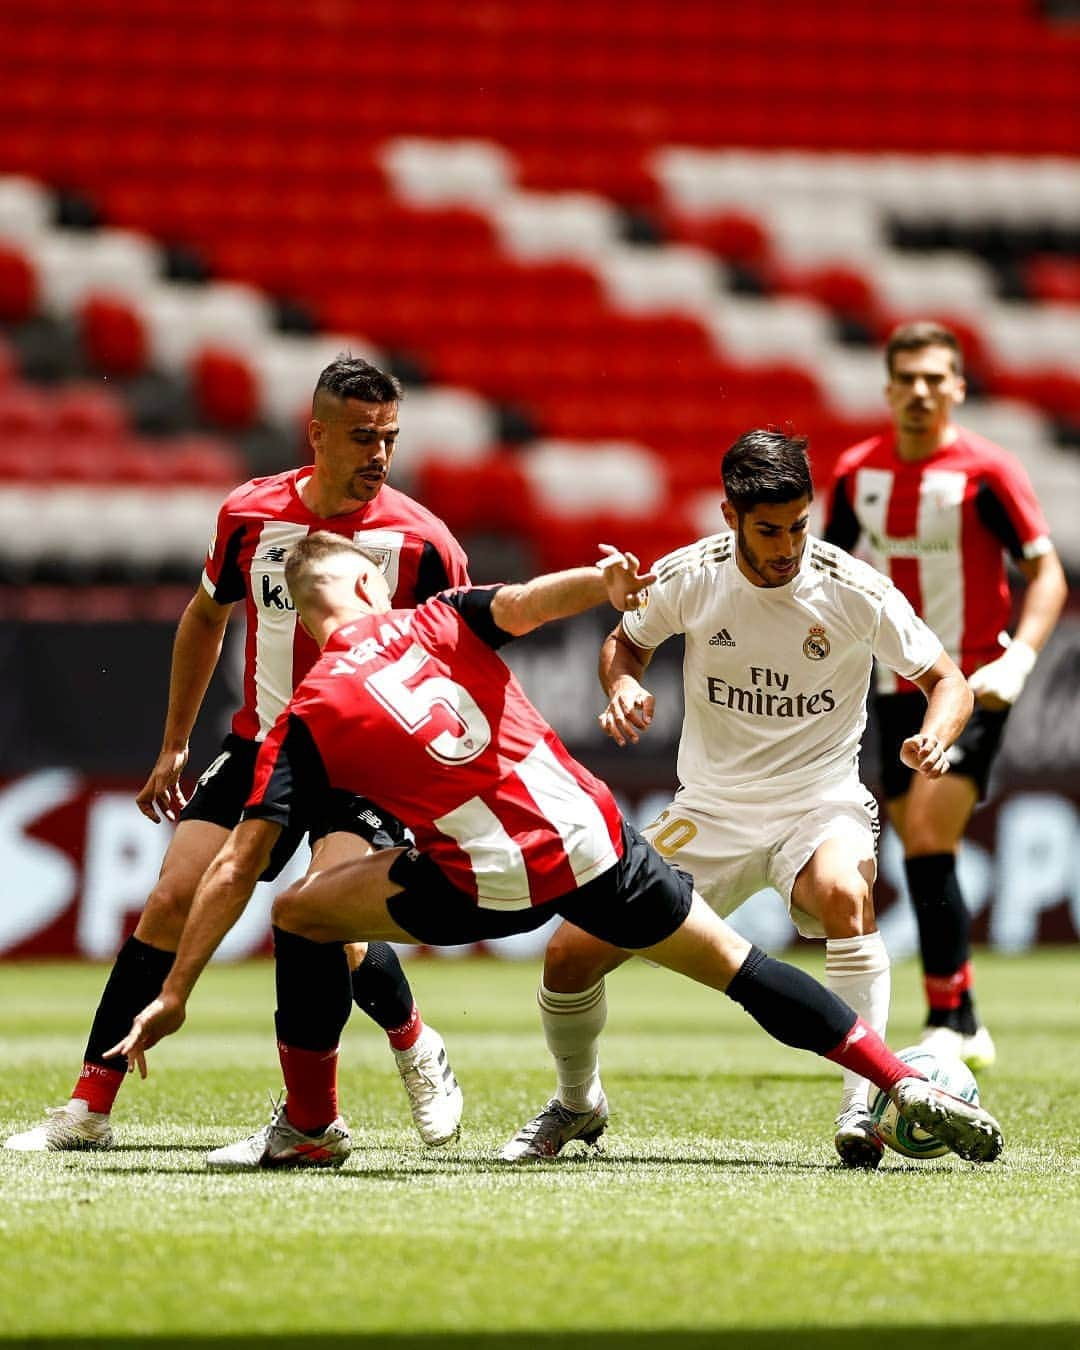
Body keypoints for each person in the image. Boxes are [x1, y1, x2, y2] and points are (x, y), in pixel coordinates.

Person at [108, 531, 1003, 1172]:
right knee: (739, 966)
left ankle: (311, 1123)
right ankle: (896, 1077)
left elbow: (234, 867)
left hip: (490, 883)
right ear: (372, 589)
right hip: (598, 840)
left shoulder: (305, 715)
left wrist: (178, 991)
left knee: (303, 911)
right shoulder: (437, 619)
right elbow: (532, 604)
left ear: (307, 619)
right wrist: (605, 581)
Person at [5, 356, 467, 1155]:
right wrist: (175, 741)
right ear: (316, 432)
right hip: (262, 742)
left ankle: (411, 1045)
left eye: (389, 437)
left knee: (329, 915)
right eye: (362, 437)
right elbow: (203, 617)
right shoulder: (251, 516)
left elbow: (462, 659)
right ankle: (88, 1108)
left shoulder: (424, 543)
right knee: (169, 900)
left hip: (362, 758)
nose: (379, 455)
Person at [499, 428, 974, 1171]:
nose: (787, 547)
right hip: (710, 811)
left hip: (819, 803)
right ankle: (577, 1104)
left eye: (799, 525)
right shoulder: (693, 575)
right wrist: (622, 684)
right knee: (568, 954)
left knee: (844, 894)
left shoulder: (853, 588)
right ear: (730, 516)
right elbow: (626, 642)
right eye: (768, 530)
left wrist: (937, 738)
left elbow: (948, 680)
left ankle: (862, 1106)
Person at [825, 321, 1067, 1070]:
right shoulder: (856, 474)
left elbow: (1048, 574)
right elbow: (823, 571)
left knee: (928, 832)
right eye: (909, 379)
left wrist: (1021, 659)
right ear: (889, 388)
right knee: (921, 845)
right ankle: (959, 1010)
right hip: (893, 683)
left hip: (971, 682)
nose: (923, 392)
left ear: (958, 387)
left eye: (938, 378)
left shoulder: (987, 472)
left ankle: (953, 1020)